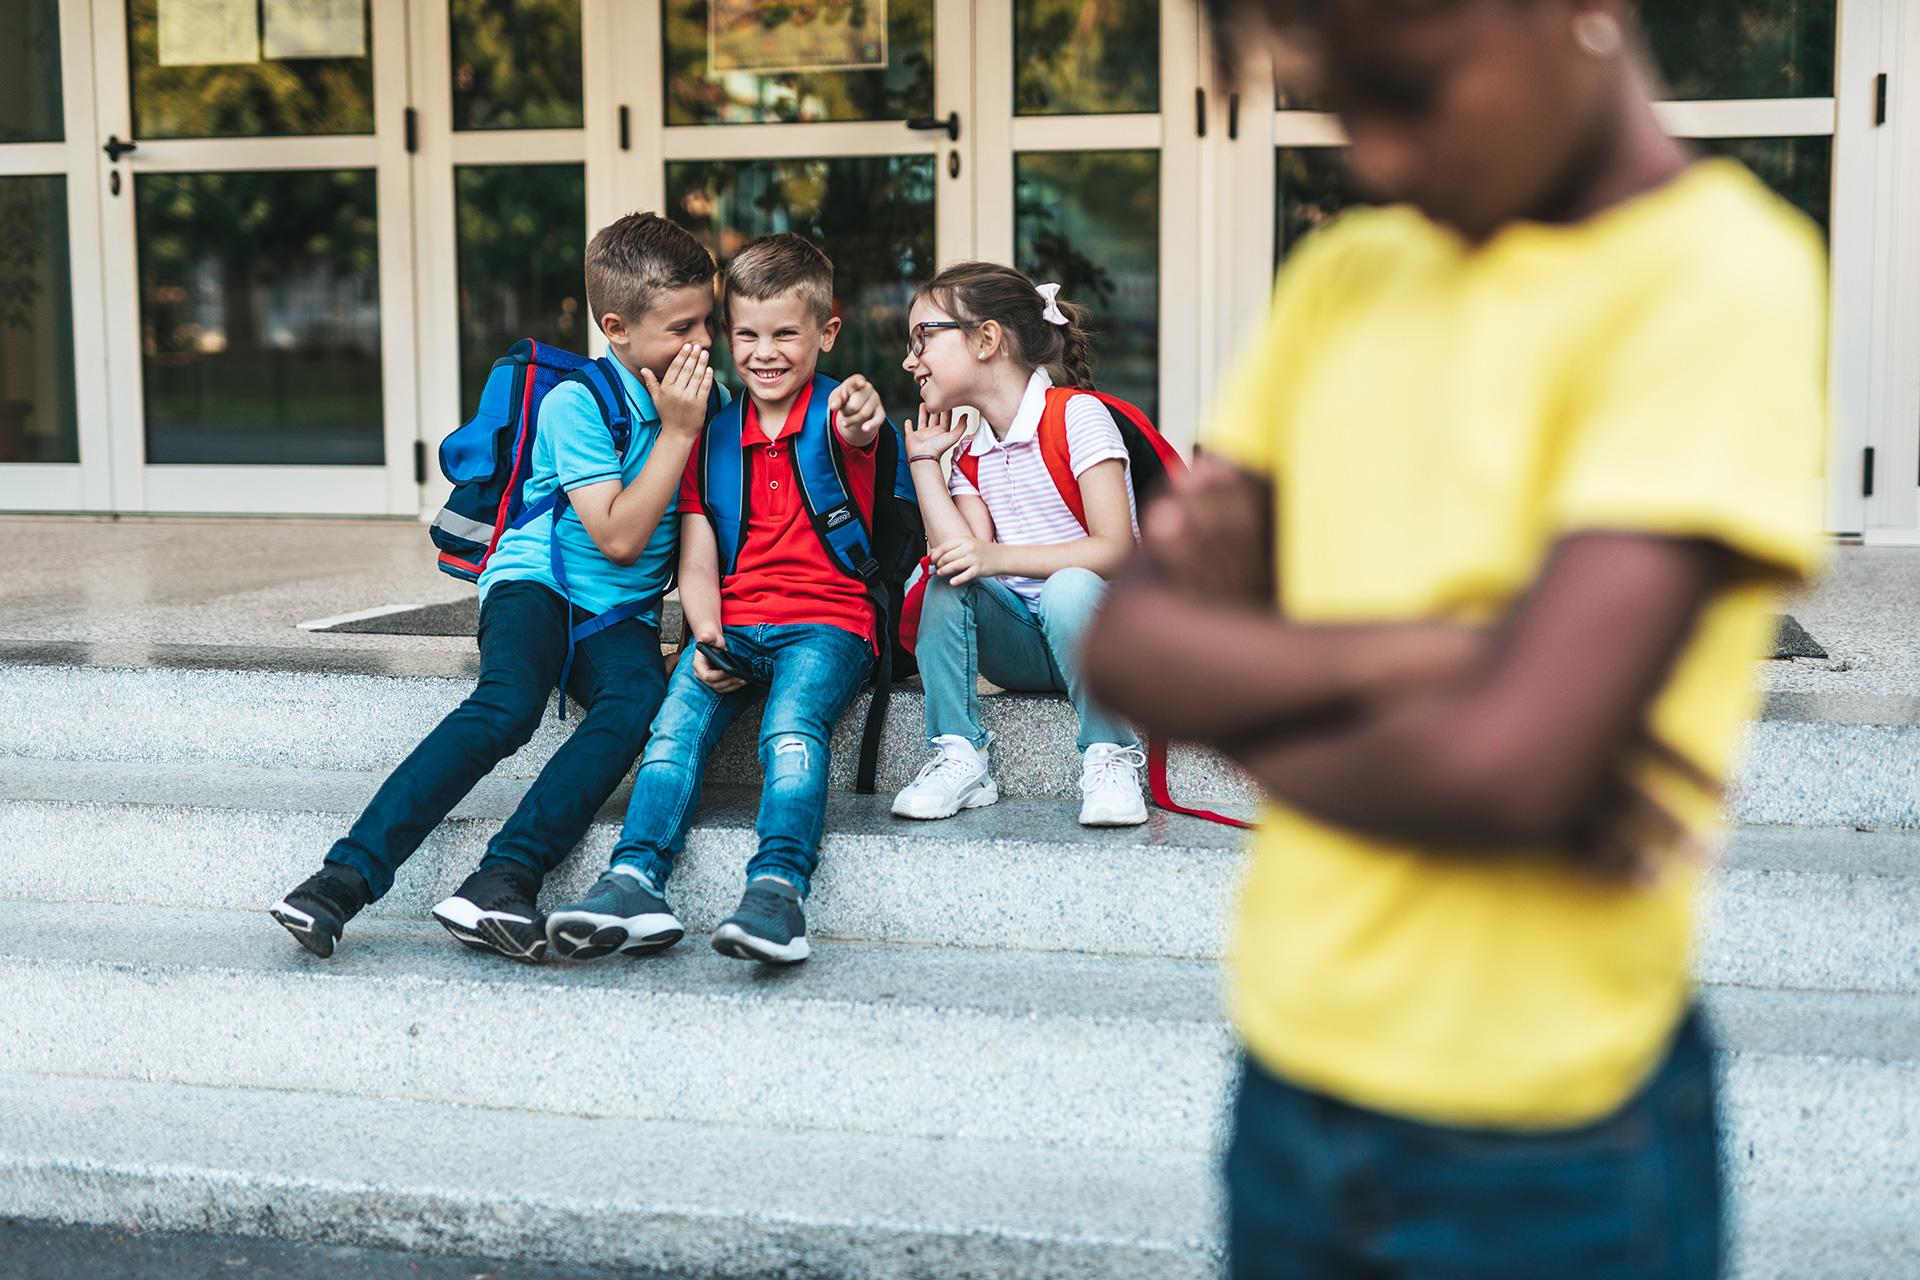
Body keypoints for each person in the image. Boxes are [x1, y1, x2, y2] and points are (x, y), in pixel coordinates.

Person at [1082, 1, 1826, 1276]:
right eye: (1339, 109)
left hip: (1548, 1147)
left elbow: (1506, 769)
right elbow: (1126, 645)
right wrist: (1430, 656)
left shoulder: (1716, 281)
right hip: (1288, 1077)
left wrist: (1244, 687)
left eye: (1409, 88)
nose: (1375, 153)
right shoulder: (1349, 275)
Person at [270, 211, 719, 964]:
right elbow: (616, 535)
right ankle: (337, 882)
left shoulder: (713, 405)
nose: (702, 344)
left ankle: (503, 877)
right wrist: (676, 434)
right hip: (536, 581)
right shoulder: (577, 403)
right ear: (617, 327)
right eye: (681, 328)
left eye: (708, 321)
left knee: (635, 701)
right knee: (509, 703)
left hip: (620, 613)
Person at [542, 232, 892, 967]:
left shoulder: (836, 416)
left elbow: (863, 425)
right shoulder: (709, 431)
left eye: (786, 334)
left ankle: (776, 892)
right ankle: (633, 879)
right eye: (747, 334)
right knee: (671, 734)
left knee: (791, 730)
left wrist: (865, 410)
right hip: (732, 623)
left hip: (828, 627)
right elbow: (698, 556)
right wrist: (705, 635)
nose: (765, 352)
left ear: (826, 333)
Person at [888, 262, 1148, 826]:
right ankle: (960, 754)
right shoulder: (970, 452)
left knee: (1070, 588)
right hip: (1025, 649)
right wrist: (925, 464)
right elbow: (961, 555)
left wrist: (1000, 559)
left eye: (923, 338)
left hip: (1105, 636)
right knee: (946, 580)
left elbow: (1116, 549)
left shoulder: (1078, 416)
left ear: (986, 339)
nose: (911, 360)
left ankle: (1112, 754)